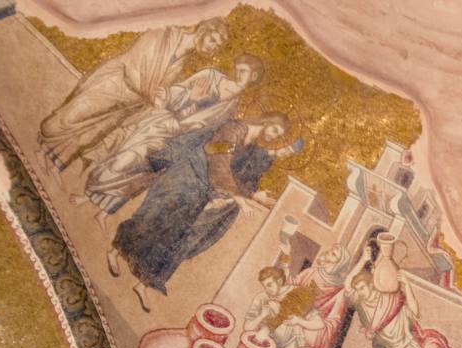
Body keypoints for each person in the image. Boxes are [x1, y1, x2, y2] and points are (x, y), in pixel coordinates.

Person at [106, 111, 303, 311]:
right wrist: (239, 198)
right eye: (275, 130)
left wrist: (249, 194)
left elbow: (234, 172)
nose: (273, 136)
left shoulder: (250, 144)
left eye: (278, 136)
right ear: (266, 122)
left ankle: (143, 280)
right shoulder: (234, 130)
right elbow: (217, 160)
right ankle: (114, 252)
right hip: (187, 176)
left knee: (169, 233)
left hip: (199, 189)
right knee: (153, 216)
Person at [84, 54, 265, 216]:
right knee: (128, 159)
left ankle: (101, 206)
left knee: (144, 175)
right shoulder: (211, 76)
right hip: (167, 125)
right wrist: (191, 99)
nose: (238, 74)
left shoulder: (232, 107)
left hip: (182, 141)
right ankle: (90, 191)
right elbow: (175, 93)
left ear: (254, 77)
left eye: (244, 71)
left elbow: (213, 133)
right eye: (238, 69)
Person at [37, 18, 229, 172]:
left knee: (91, 133)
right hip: (116, 83)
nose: (213, 47)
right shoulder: (164, 33)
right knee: (74, 115)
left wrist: (162, 96)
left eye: (217, 45)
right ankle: (41, 148)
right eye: (213, 40)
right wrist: (153, 93)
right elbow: (134, 65)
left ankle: (50, 159)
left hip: (132, 102)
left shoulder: (183, 61)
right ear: (203, 30)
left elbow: (160, 86)